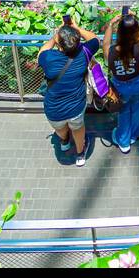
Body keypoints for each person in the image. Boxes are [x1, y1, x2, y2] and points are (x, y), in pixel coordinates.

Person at [38, 17, 100, 167]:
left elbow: (41, 52)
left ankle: (64, 142)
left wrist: (55, 37)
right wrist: (76, 29)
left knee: (59, 128)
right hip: (76, 107)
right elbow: (95, 39)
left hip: (54, 109)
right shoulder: (84, 53)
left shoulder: (49, 58)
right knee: (78, 130)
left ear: (59, 45)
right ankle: (80, 154)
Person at [101, 11, 139, 154]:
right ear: (135, 33)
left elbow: (105, 43)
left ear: (119, 33)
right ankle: (136, 133)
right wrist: (134, 20)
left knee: (123, 111)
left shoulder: (110, 52)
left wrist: (111, 24)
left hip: (121, 89)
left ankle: (124, 141)